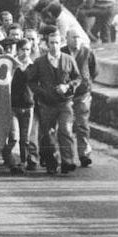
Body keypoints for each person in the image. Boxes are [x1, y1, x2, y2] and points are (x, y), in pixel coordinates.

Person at [26, 26, 81, 175]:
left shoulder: (68, 59)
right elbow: (31, 81)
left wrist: (68, 86)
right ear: (46, 44)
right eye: (51, 43)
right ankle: (51, 162)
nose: (54, 46)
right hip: (46, 104)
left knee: (66, 130)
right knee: (47, 135)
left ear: (60, 42)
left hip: (64, 103)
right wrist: (42, 92)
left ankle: (67, 161)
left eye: (57, 42)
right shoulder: (40, 62)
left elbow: (77, 78)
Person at [61, 30, 97, 167]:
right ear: (67, 38)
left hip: (82, 94)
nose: (76, 40)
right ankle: (67, 157)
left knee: (82, 124)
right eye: (73, 37)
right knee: (66, 126)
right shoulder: (62, 52)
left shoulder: (87, 52)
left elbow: (94, 70)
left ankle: (84, 154)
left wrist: (87, 83)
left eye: (78, 37)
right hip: (66, 95)